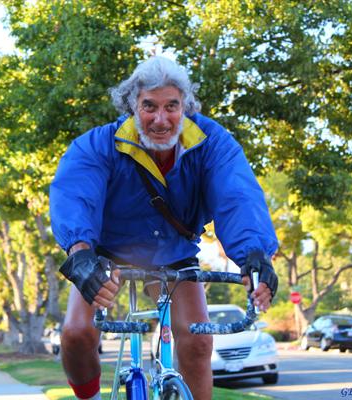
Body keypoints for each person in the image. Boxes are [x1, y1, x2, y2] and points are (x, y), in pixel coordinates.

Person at [49, 56, 278, 400]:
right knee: (77, 333)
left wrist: (255, 253)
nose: (161, 119)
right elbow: (75, 194)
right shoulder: (99, 144)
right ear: (131, 106)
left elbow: (237, 195)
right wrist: (80, 252)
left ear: (186, 105)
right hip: (108, 254)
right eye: (149, 106)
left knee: (199, 341)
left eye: (172, 106)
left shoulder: (211, 143)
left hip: (174, 253)